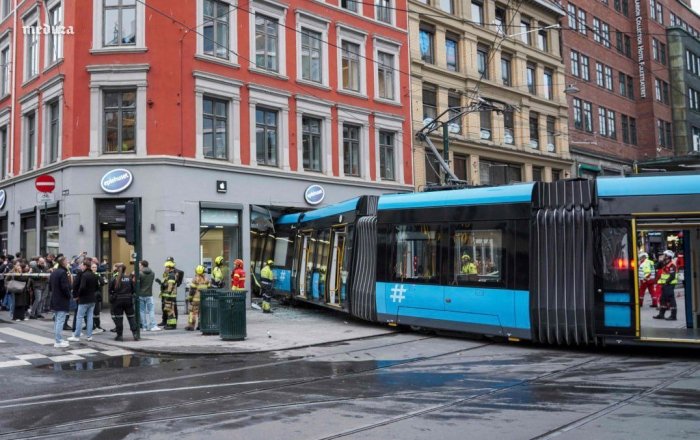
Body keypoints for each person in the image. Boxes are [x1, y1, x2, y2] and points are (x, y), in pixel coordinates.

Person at [68, 261, 98, 342]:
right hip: (92, 299)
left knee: (79, 317)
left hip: (84, 299)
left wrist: (78, 295)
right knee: (90, 317)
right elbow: (97, 287)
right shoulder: (94, 275)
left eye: (82, 265)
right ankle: (89, 336)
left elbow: (82, 287)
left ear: (85, 266)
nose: (81, 267)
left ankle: (76, 336)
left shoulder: (84, 275)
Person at [109, 264, 139, 341]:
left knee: (119, 318)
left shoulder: (114, 279)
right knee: (131, 317)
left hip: (118, 301)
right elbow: (133, 290)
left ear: (117, 270)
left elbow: (110, 291)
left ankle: (120, 336)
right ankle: (135, 334)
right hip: (128, 300)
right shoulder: (128, 278)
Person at [49, 257, 72, 348]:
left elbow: (50, 285)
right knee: (60, 320)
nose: (67, 263)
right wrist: (69, 295)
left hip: (55, 298)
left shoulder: (54, 272)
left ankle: (58, 339)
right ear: (63, 263)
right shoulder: (63, 273)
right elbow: (65, 287)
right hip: (61, 299)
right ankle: (58, 341)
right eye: (66, 261)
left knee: (57, 320)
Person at [653, 250, 678, 321]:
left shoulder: (672, 264)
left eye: (665, 255)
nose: (663, 256)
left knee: (671, 299)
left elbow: (672, 276)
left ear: (668, 257)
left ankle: (673, 316)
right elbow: (656, 267)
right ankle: (661, 314)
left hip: (669, 284)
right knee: (662, 299)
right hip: (665, 284)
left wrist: (666, 282)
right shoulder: (664, 263)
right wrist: (660, 261)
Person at [137, 260, 161, 332]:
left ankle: (144, 326)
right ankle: (153, 325)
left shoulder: (139, 273)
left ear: (142, 265)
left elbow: (138, 284)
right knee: (151, 310)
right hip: (149, 294)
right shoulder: (152, 273)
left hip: (141, 294)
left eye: (140, 265)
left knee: (142, 311)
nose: (139, 266)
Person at [186, 265, 210, 331]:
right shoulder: (206, 279)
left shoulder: (195, 279)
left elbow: (192, 290)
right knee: (201, 313)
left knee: (192, 312)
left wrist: (190, 298)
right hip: (203, 299)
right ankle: (200, 326)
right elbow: (209, 288)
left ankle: (191, 326)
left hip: (195, 300)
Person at [159, 261, 178, 330]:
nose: (165, 268)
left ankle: (172, 325)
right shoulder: (170, 274)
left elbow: (170, 286)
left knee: (170, 310)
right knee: (169, 310)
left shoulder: (171, 275)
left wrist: (168, 295)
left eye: (166, 267)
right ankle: (170, 323)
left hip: (170, 296)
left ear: (170, 268)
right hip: (169, 295)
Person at [91, 262, 106, 333]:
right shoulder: (90, 275)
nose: (94, 268)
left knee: (96, 311)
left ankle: (97, 325)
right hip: (91, 294)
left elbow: (103, 283)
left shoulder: (98, 274)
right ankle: (93, 326)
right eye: (93, 267)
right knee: (92, 311)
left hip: (96, 294)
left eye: (95, 267)